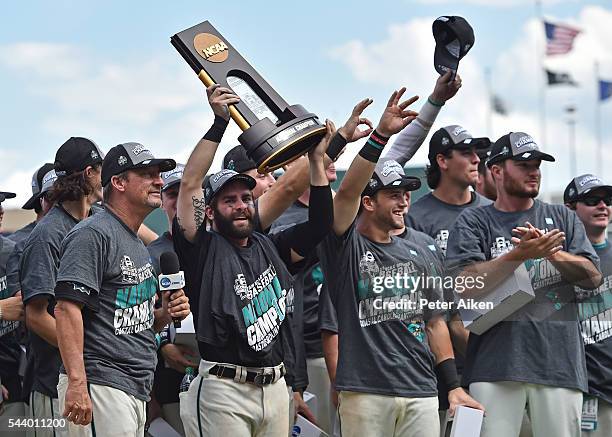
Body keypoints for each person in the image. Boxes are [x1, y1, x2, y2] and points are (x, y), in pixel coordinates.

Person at [318, 87, 482, 437]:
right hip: (364, 391)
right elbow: (345, 193)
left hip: (421, 389)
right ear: (368, 203)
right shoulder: (344, 246)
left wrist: (451, 385)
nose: (404, 202)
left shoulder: (423, 247)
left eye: (407, 193)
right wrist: (379, 137)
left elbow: (436, 322)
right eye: (393, 194)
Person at [174, 83, 333, 437]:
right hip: (223, 389)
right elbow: (190, 184)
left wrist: (317, 163)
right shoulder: (201, 249)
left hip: (275, 386)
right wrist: (219, 123)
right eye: (228, 200)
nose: (241, 204)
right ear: (211, 212)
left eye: (246, 197)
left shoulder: (271, 247)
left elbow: (321, 224)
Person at [445, 132, 602, 437]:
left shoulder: (561, 217)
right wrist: (519, 254)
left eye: (538, 164)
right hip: (494, 365)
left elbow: (593, 278)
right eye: (524, 164)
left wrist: (552, 252)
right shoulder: (473, 221)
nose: (534, 171)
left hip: (559, 366)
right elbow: (463, 285)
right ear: (497, 170)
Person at [54, 143, 190, 435]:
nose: (159, 181)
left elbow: (130, 323)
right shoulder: (93, 233)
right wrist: (77, 384)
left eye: (159, 174)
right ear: (118, 182)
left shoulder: (134, 241)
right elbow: (65, 308)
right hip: (100, 384)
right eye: (147, 174)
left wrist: (164, 314)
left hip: (134, 387)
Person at [19, 138, 104, 437]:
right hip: (56, 386)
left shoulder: (98, 222)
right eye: (101, 170)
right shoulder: (47, 234)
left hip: (92, 379)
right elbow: (36, 315)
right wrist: (87, 352)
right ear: (91, 174)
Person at [147, 164, 198, 436]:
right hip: (170, 384)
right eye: (172, 194)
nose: (179, 201)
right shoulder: (149, 255)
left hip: (224, 380)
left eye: (185, 193)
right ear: (162, 203)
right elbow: (136, 319)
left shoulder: (220, 244)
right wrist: (161, 345)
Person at [564, 174, 612, 437]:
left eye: (608, 200)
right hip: (579, 389)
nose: (602, 206)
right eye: (592, 200)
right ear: (570, 208)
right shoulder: (558, 258)